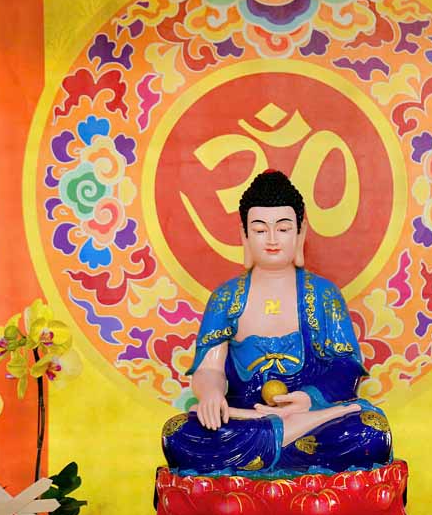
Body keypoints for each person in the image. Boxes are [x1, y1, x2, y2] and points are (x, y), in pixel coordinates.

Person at [162, 170, 391, 474]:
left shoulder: (323, 295)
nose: (272, 240)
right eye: (260, 230)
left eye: (283, 229)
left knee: (371, 432)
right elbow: (209, 369)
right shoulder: (226, 298)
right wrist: (211, 394)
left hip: (311, 416)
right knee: (178, 434)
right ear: (244, 234)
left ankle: (280, 436)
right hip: (245, 416)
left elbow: (347, 367)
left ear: (300, 232)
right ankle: (284, 433)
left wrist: (309, 399)